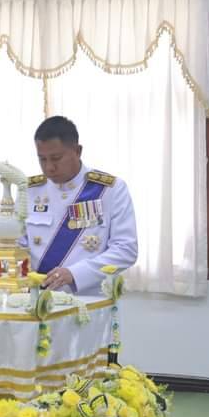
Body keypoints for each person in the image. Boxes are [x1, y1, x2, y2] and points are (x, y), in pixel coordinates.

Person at [20, 116, 137, 293]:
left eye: (56, 158)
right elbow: (18, 245)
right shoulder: (29, 190)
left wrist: (75, 274)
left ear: (78, 151)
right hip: (36, 298)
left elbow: (126, 249)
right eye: (42, 159)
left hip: (88, 299)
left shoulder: (109, 190)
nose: (49, 167)